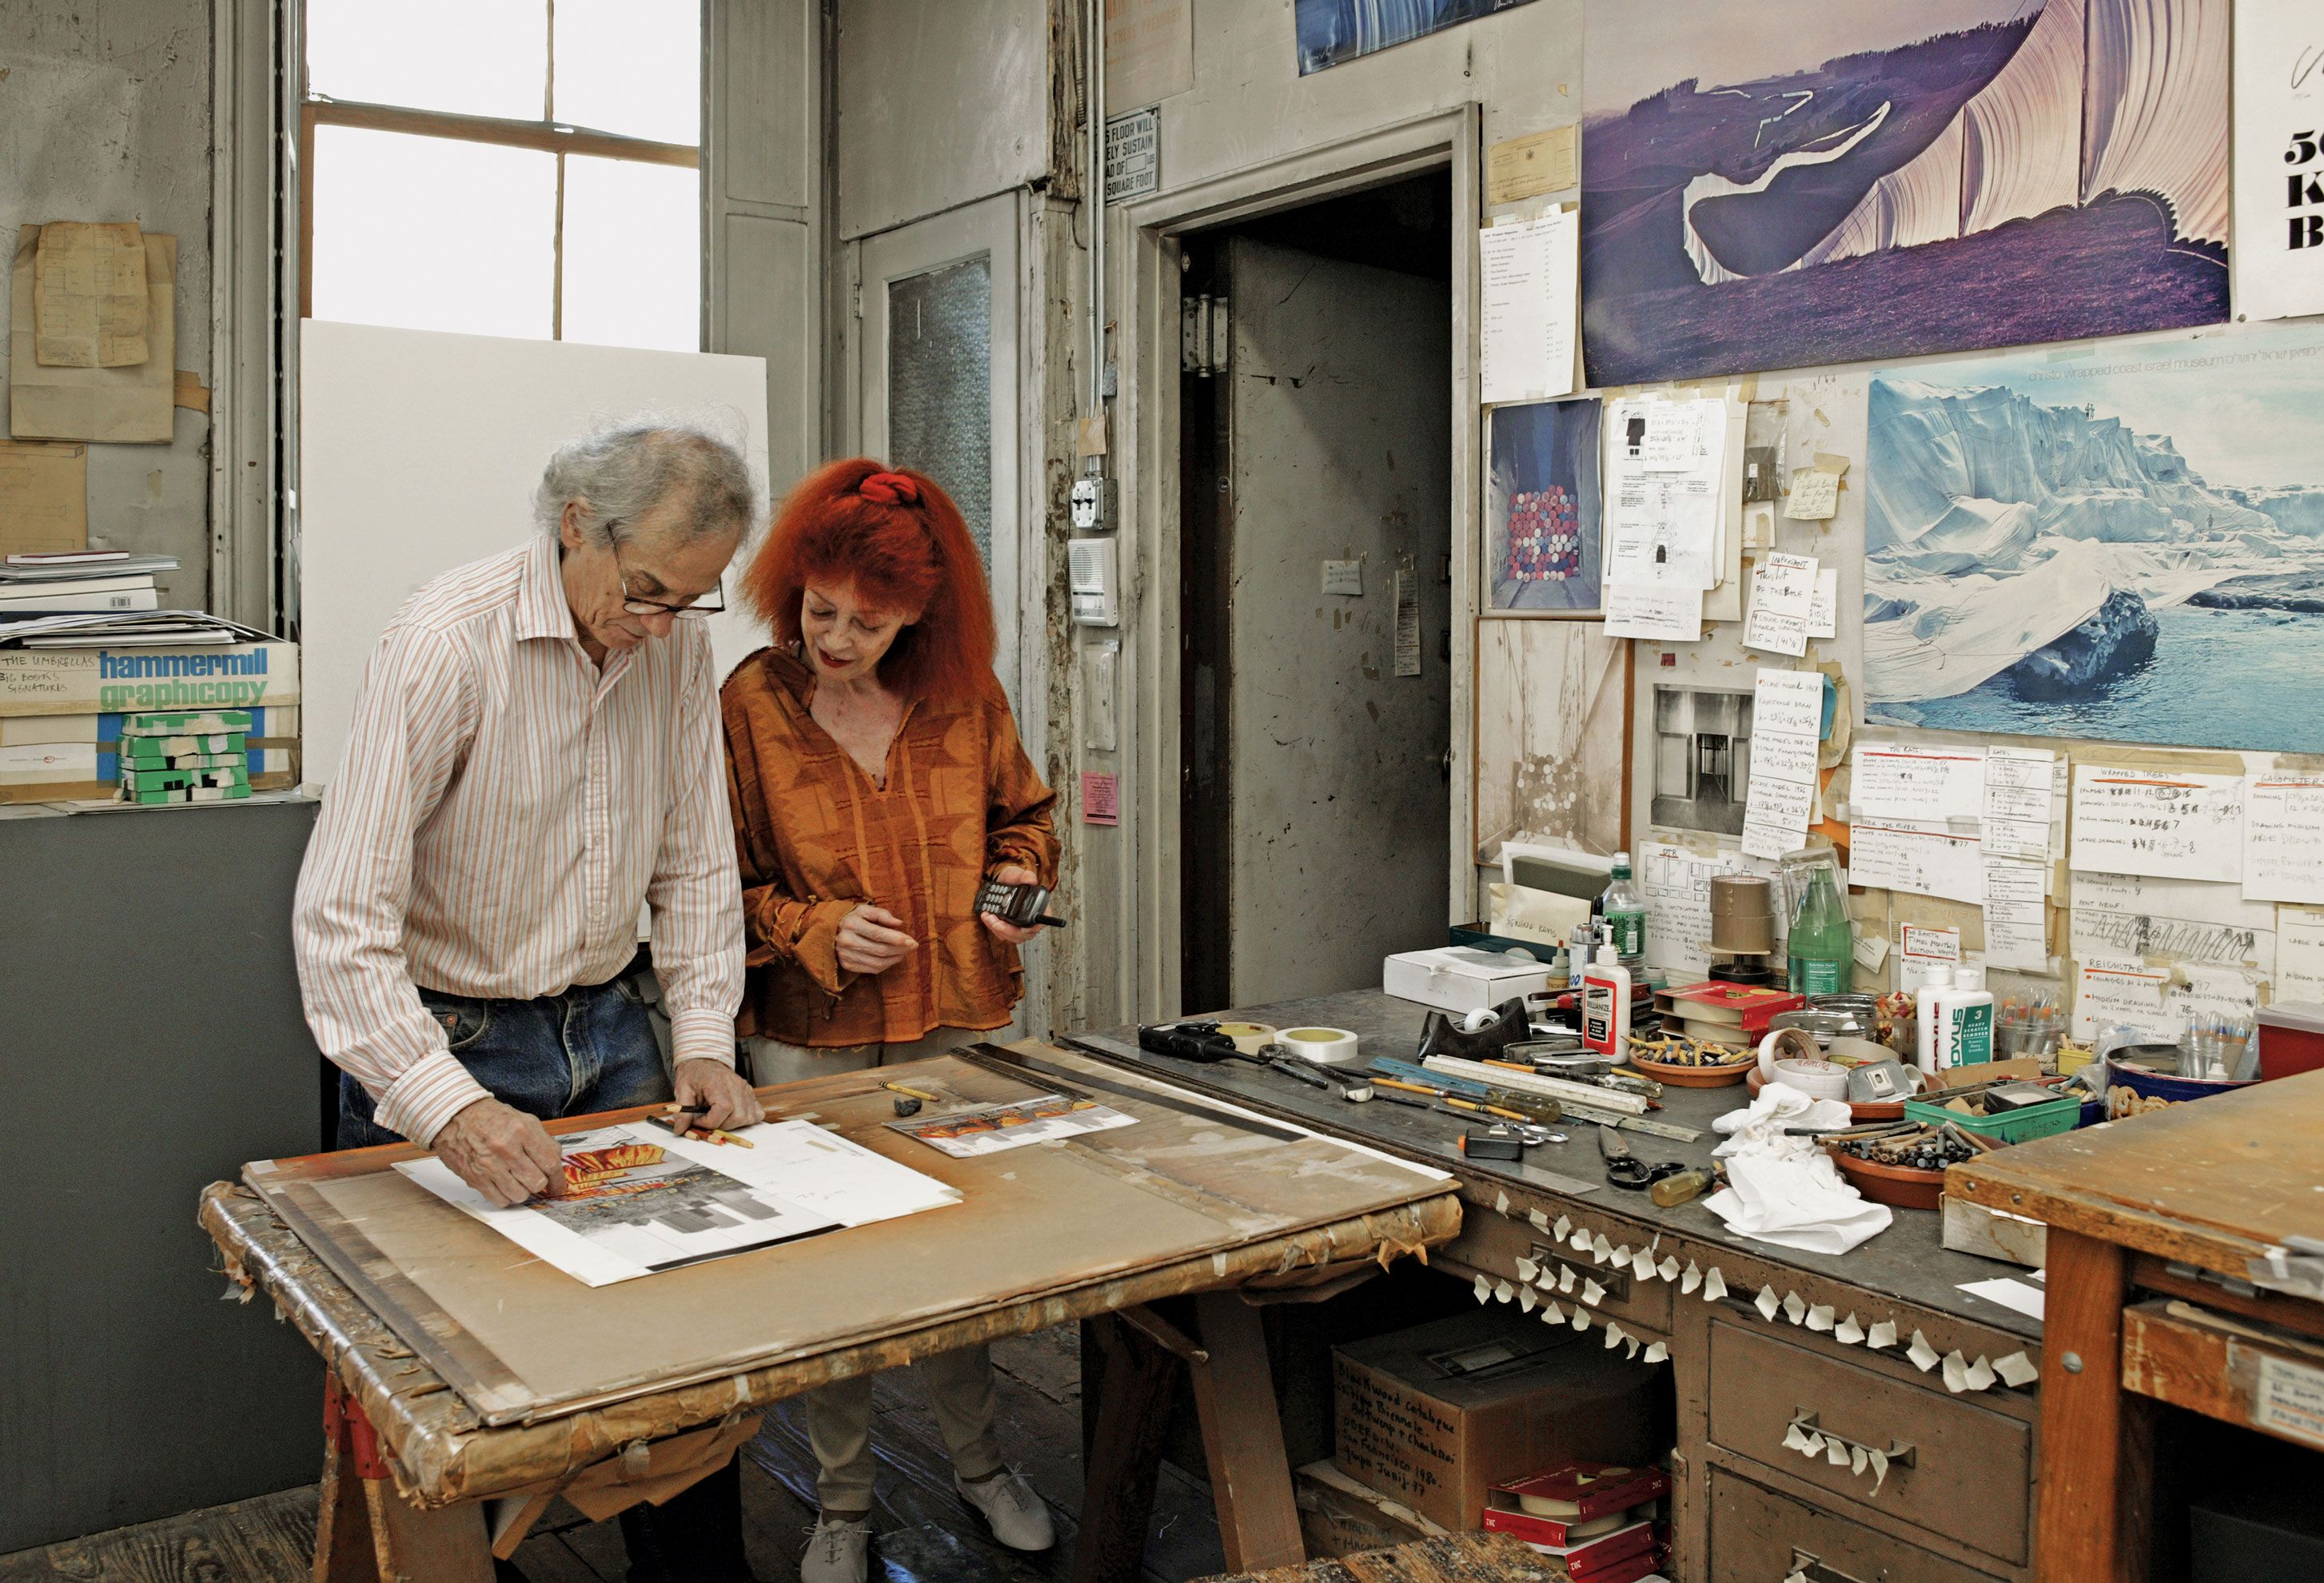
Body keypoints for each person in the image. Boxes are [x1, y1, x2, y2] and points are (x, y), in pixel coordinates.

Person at [293, 419, 764, 1583]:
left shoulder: (673, 643)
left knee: (677, 1357)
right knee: (454, 1394)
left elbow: (697, 856)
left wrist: (703, 1036)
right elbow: (339, 921)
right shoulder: (447, 643)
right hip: (448, 1038)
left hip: (610, 1029)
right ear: (573, 527)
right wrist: (447, 1110)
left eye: (693, 604)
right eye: (649, 589)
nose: (661, 626)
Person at [721, 458, 1060, 1583]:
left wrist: (1017, 892)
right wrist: (819, 931)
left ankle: (981, 1465)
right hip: (806, 1029)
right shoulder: (752, 704)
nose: (837, 638)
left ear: (922, 615)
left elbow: (1029, 823)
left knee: (957, 1257)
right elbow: (717, 884)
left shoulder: (967, 700)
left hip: (953, 1013)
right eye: (821, 610)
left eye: (869, 623)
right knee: (834, 1264)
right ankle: (843, 1503)